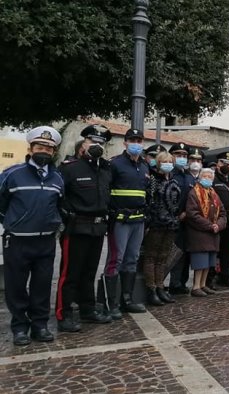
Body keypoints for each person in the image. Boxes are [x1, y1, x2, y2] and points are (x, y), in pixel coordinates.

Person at [1, 126, 64, 346]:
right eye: (40, 146)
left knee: (42, 285)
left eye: (48, 148)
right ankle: (19, 327)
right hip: (17, 240)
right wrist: (13, 223)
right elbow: (2, 206)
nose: (44, 151)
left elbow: (59, 205)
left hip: (45, 240)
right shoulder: (11, 174)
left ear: (54, 152)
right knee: (16, 286)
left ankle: (39, 325)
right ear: (30, 147)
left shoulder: (57, 178)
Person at [53, 125, 113, 333]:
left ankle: (87, 309)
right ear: (83, 144)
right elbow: (58, 197)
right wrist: (64, 220)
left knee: (89, 272)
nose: (97, 146)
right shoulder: (70, 168)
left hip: (97, 229)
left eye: (101, 143)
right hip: (76, 228)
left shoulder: (105, 169)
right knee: (69, 274)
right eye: (93, 142)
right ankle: (64, 314)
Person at [101, 128, 148, 318]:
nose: (136, 143)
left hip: (138, 220)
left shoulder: (144, 166)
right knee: (115, 260)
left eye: (139, 140)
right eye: (132, 140)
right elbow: (105, 190)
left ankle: (126, 300)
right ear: (125, 142)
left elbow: (146, 193)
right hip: (119, 220)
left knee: (132, 260)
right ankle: (110, 304)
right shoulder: (115, 164)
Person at [141, 151, 180, 306]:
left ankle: (161, 286)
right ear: (158, 163)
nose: (168, 164)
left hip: (171, 224)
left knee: (163, 257)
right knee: (151, 256)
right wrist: (150, 221)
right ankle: (152, 289)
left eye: (170, 161)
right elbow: (149, 200)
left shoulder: (174, 180)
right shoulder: (153, 179)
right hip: (156, 223)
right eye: (164, 161)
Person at [185, 168, 226, 297]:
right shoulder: (194, 193)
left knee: (209, 262)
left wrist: (218, 225)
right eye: (205, 176)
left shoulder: (213, 193)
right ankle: (196, 286)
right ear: (200, 177)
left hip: (213, 233)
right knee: (200, 262)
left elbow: (223, 213)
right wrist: (209, 225)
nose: (207, 178)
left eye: (210, 177)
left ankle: (203, 284)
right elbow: (192, 214)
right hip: (200, 233)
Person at [167, 142, 195, 295]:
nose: (182, 158)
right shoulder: (170, 174)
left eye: (184, 156)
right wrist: (177, 214)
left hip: (188, 222)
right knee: (172, 254)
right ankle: (172, 283)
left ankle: (181, 283)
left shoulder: (189, 176)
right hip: (173, 220)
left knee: (185, 254)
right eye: (179, 155)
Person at [211, 152, 229, 288]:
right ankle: (210, 278)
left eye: (228, 164)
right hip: (217, 219)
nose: (225, 166)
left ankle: (226, 276)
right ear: (218, 164)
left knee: (227, 251)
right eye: (223, 163)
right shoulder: (212, 178)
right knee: (214, 249)